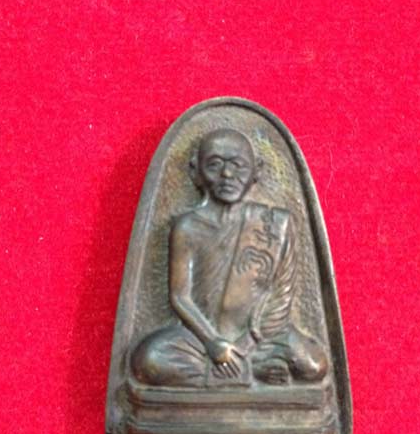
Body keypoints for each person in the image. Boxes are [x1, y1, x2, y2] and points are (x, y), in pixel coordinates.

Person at [130, 128, 328, 387]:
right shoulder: (187, 227)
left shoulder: (274, 224)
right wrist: (213, 343)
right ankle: (250, 372)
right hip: (200, 338)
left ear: (256, 171)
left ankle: (232, 369)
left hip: (260, 335)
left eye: (238, 165)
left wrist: (247, 344)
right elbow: (180, 297)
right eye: (214, 165)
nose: (227, 174)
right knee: (149, 360)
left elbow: (281, 294)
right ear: (196, 171)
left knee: (314, 364)